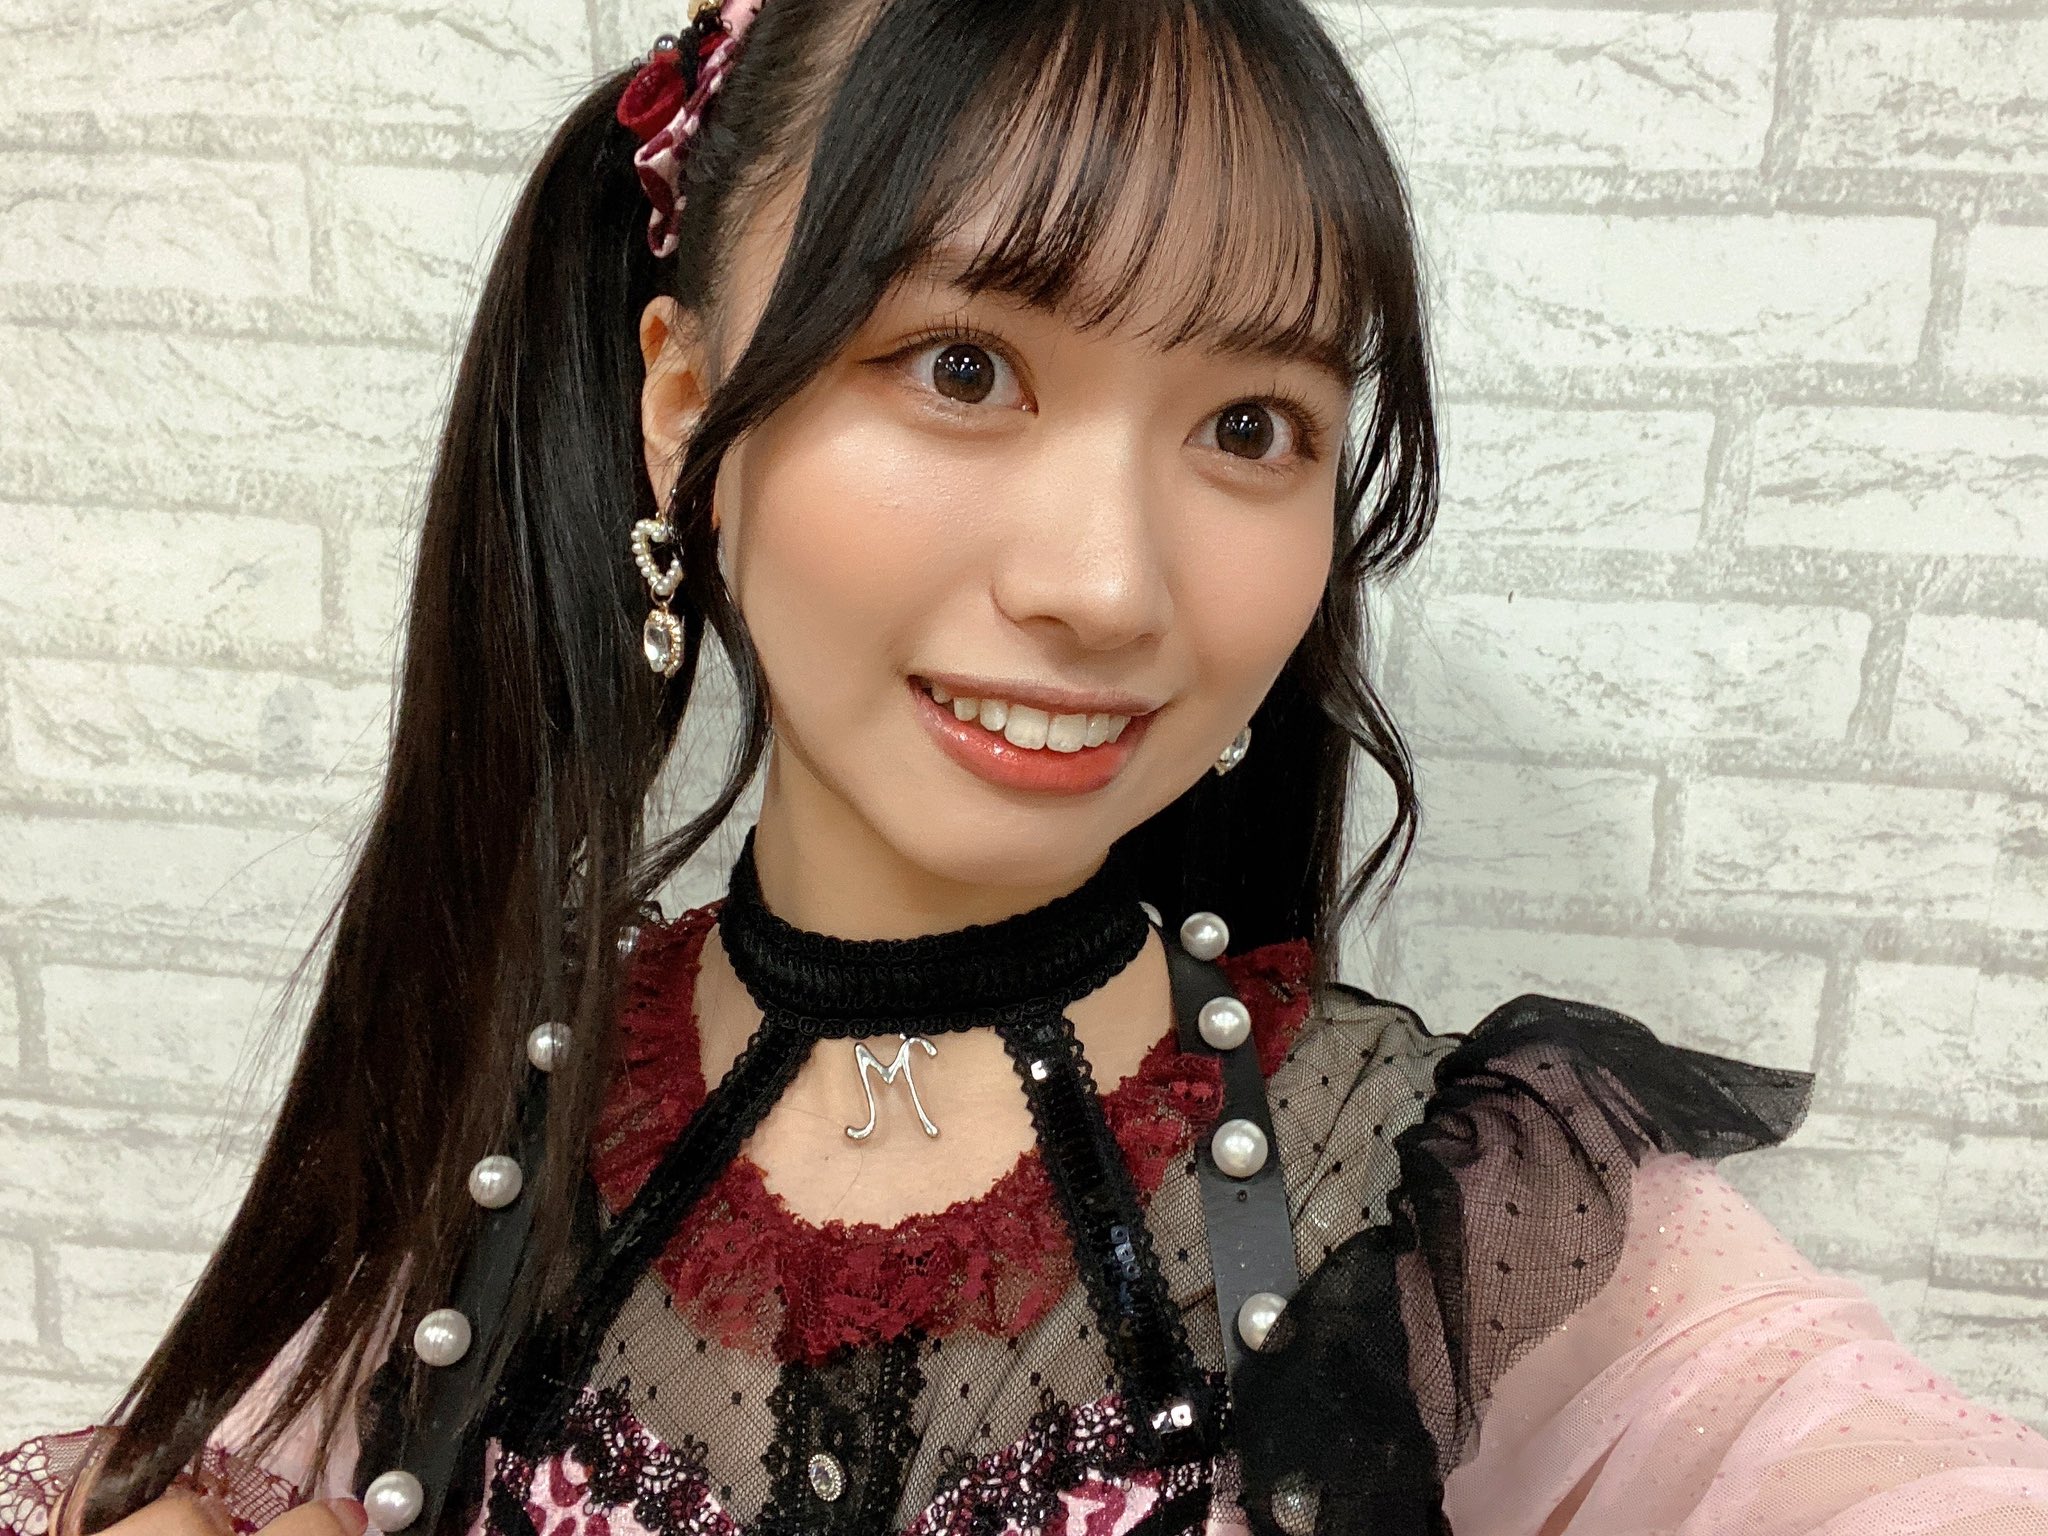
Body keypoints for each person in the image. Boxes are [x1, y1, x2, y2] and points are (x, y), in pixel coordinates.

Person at [4, 1, 2045, 1534]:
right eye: (963, 366)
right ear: (682, 406)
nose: (1109, 586)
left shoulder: (1447, 1212)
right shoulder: (493, 1123)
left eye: (1249, 426)